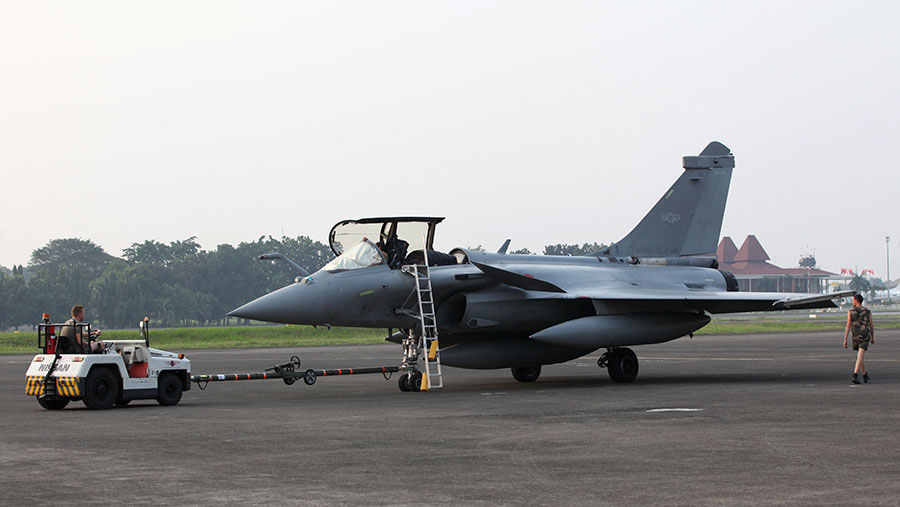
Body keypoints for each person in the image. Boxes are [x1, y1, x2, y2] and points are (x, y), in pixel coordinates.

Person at [843, 293, 874, 384]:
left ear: (856, 300)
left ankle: (864, 375)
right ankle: (855, 375)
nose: (852, 301)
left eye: (853, 300)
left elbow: (848, 326)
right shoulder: (868, 312)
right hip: (864, 335)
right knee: (860, 357)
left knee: (860, 356)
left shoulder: (850, 312)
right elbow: (871, 325)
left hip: (855, 336)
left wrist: (845, 339)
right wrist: (872, 337)